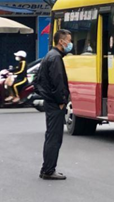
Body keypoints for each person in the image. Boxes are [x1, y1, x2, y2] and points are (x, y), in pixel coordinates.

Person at [34, 30, 72, 180]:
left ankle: (47, 168)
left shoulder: (50, 55)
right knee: (54, 138)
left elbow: (39, 80)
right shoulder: (55, 58)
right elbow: (58, 82)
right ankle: (49, 170)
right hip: (55, 103)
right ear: (61, 41)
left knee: (51, 136)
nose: (70, 43)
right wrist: (61, 101)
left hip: (50, 101)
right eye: (69, 40)